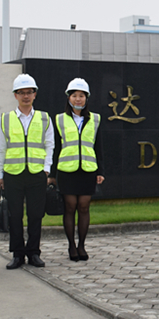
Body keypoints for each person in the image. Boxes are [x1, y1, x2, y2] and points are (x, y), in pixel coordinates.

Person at [0, 74, 54, 270]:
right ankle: (17, 254)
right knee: (15, 215)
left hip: (37, 174)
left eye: (29, 92)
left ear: (35, 94)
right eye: (21, 93)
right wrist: (0, 175)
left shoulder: (44, 118)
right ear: (15, 95)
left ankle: (34, 252)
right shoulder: (6, 119)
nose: (25, 96)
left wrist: (46, 169)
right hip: (13, 174)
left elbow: (49, 145)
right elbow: (1, 148)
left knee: (36, 215)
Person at [49, 78, 104, 261]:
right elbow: (56, 147)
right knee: (70, 207)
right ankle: (71, 246)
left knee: (84, 207)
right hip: (67, 170)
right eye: (74, 95)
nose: (78, 99)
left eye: (81, 96)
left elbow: (99, 146)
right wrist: (52, 174)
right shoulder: (59, 119)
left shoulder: (95, 119)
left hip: (88, 169)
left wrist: (100, 171)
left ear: (86, 98)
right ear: (68, 98)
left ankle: (82, 245)